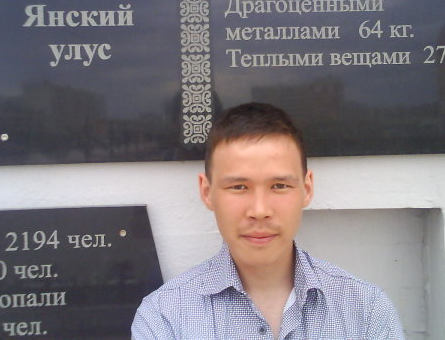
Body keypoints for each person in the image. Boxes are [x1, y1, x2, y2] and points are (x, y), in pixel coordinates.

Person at [132, 102, 405, 339]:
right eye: (239, 187)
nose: (260, 210)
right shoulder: (165, 317)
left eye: (279, 186)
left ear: (307, 189)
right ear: (207, 192)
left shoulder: (366, 310)